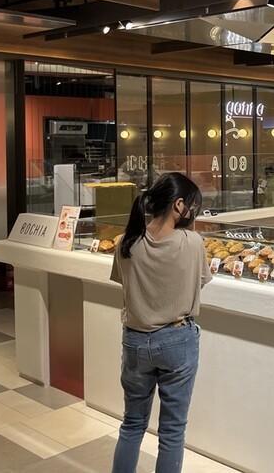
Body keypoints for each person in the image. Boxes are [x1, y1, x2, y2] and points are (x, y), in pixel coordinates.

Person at [109, 172, 213, 473]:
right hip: (177, 339)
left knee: (132, 424)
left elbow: (125, 285)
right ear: (179, 205)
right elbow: (199, 282)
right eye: (192, 206)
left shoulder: (126, 242)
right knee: (172, 431)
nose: (193, 213)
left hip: (135, 340)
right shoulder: (192, 242)